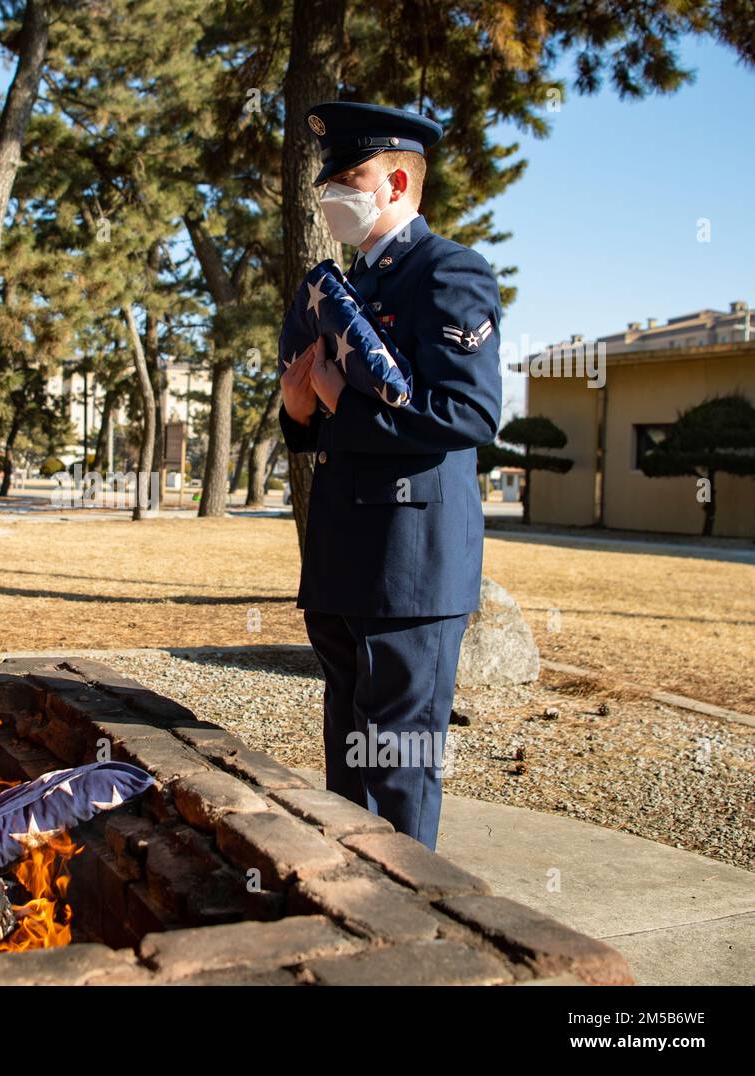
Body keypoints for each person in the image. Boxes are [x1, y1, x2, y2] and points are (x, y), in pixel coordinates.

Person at [279, 101, 502, 851]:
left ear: (398, 181)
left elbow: (467, 413)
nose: (332, 195)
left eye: (350, 177)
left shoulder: (448, 272)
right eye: (330, 180)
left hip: (410, 572)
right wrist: (299, 410)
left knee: (399, 770)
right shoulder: (347, 290)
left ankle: (413, 933)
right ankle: (353, 909)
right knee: (348, 764)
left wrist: (339, 405)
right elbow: (324, 435)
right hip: (344, 560)